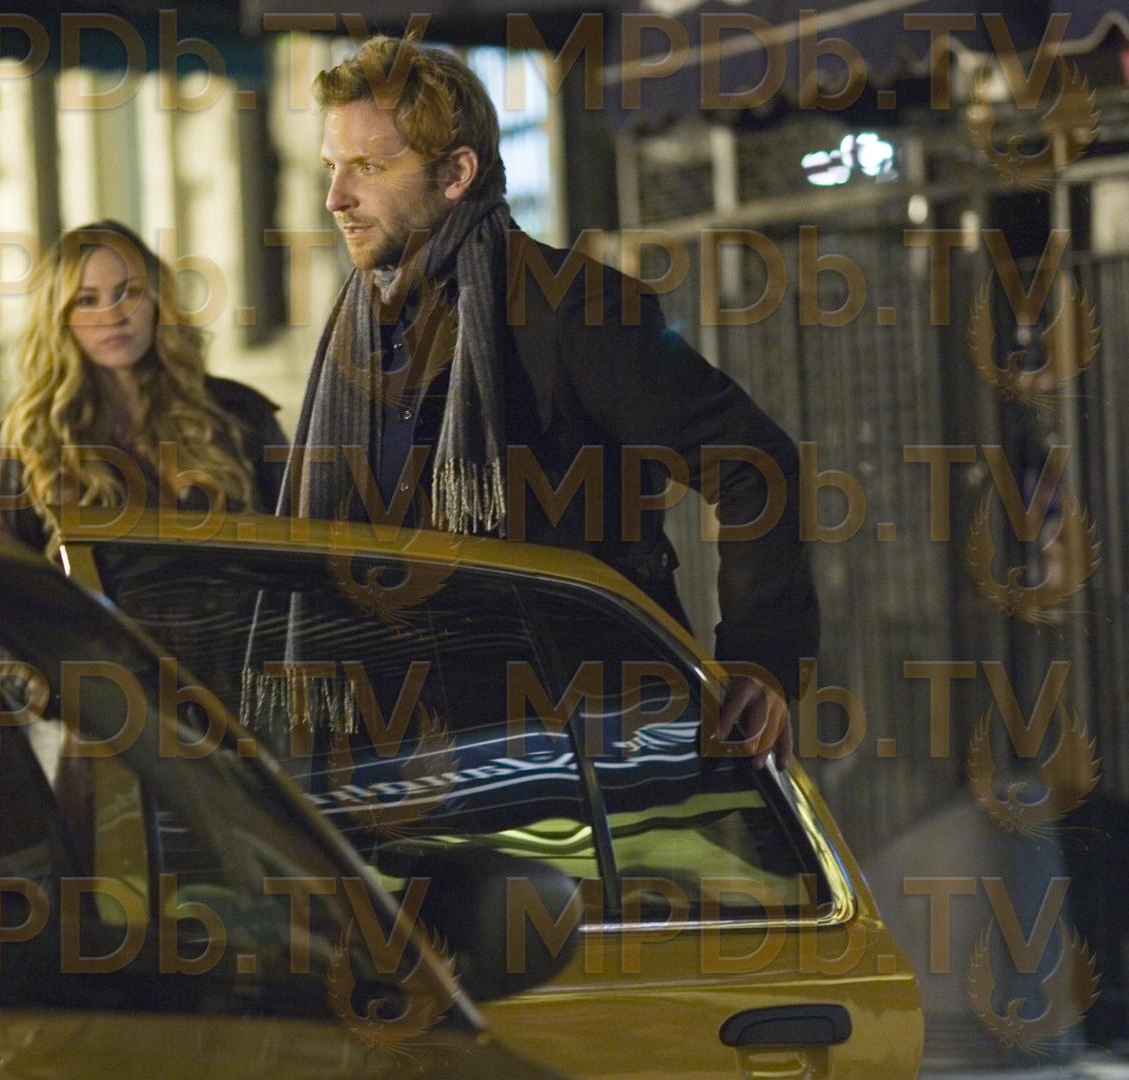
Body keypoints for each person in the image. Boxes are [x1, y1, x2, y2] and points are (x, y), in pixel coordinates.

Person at [292, 35, 814, 765]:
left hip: (583, 747)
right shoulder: (359, 330)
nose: (336, 198)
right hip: (405, 752)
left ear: (456, 173)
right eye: (332, 167)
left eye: (369, 167)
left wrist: (761, 661)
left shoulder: (573, 308)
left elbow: (752, 464)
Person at [0, 220, 287, 557]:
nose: (113, 316)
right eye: (87, 300)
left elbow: (304, 544)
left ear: (157, 301)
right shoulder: (26, 437)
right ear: (59, 318)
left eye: (130, 293)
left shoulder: (239, 412)